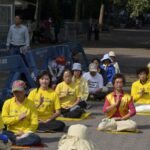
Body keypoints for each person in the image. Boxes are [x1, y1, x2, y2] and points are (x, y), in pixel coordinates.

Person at [1, 80, 41, 146]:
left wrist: (24, 132)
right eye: (15, 92)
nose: (17, 94)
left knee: (36, 138)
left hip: (26, 133)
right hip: (11, 132)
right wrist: (18, 118)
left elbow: (34, 123)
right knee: (3, 134)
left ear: (24, 91)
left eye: (19, 91)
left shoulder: (31, 104)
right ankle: (17, 140)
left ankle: (13, 141)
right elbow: (4, 120)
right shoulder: (7, 103)